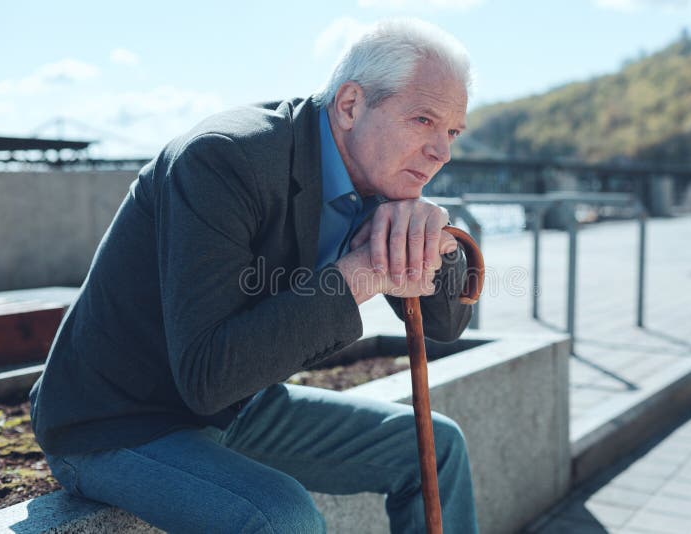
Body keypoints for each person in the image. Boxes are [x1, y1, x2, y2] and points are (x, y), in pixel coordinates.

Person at [30, 18, 478, 533]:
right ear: (351, 105)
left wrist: (429, 238)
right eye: (423, 120)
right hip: (115, 420)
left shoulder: (380, 175)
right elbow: (207, 377)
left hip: (238, 405)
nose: (441, 151)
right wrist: (361, 274)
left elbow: (444, 326)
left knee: (437, 449)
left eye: (452, 132)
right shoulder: (222, 159)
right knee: (280, 517)